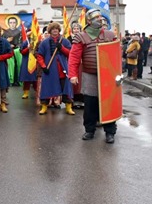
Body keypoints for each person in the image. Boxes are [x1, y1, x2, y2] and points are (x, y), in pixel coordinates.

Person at [68, 8, 117, 144]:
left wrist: (118, 72)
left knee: (108, 103)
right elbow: (74, 57)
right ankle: (89, 130)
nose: (100, 20)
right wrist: (72, 74)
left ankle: (110, 131)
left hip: (107, 75)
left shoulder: (109, 35)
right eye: (96, 18)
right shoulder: (81, 37)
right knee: (90, 104)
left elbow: (115, 55)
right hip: (89, 74)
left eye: (100, 17)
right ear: (89, 21)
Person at [36, 21, 74, 115]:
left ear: (59, 30)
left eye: (56, 29)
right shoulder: (44, 42)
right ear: (50, 31)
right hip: (49, 70)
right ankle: (44, 106)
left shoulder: (64, 41)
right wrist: (44, 66)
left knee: (66, 88)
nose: (55, 31)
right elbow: (40, 56)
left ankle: (68, 107)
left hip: (62, 69)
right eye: (53, 29)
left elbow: (70, 53)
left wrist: (62, 48)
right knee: (47, 88)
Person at [0, 23, 13, 113]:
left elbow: (10, 53)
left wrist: (1, 57)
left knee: (2, 84)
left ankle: (3, 103)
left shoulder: (4, 41)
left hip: (1, 65)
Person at [2, 16, 22, 86]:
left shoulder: (19, 32)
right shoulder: (5, 33)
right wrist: (8, 44)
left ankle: (19, 80)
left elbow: (21, 41)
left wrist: (17, 45)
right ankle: (11, 80)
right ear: (8, 24)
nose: (12, 24)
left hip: (17, 50)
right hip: (9, 51)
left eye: (14, 22)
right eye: (11, 23)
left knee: (19, 64)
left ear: (16, 23)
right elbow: (2, 41)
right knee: (11, 65)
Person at [19, 30, 37, 100]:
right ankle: (26, 93)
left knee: (36, 79)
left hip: (35, 61)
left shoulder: (37, 41)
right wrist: (28, 48)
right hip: (26, 61)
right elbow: (22, 52)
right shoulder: (25, 42)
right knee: (27, 78)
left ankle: (37, 92)